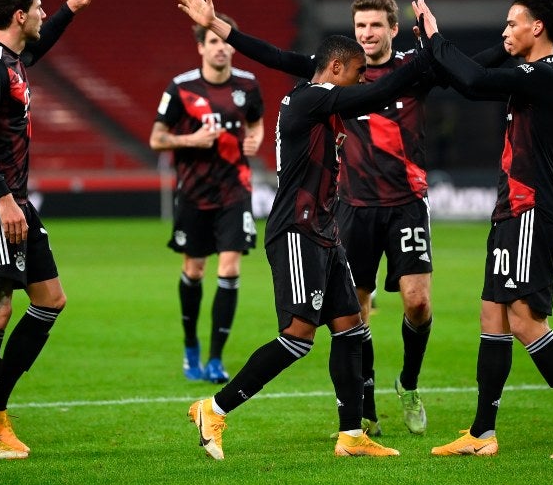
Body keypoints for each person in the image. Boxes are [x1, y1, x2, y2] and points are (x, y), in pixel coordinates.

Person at [177, 0, 510, 436]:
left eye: (375, 25)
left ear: (393, 28)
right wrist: (220, 28)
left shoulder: (392, 71)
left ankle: (394, 395)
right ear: (344, 51)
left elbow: (468, 68)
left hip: (402, 201)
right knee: (337, 320)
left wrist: (499, 48)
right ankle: (359, 415)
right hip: (343, 209)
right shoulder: (327, 84)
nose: (368, 34)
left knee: (405, 306)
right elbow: (274, 55)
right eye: (360, 27)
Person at [187, 33, 437, 460]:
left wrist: (227, 30)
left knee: (350, 328)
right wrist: (431, 53)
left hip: (325, 231)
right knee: (298, 337)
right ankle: (214, 409)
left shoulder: (320, 93)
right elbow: (381, 89)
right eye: (358, 72)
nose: (363, 80)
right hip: (296, 233)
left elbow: (279, 54)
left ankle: (351, 435)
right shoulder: (312, 98)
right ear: (337, 68)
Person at [412, 0, 553, 459]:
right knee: (493, 316)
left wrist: (438, 38)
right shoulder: (536, 70)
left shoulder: (543, 75)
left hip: (531, 210)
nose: (505, 29)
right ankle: (482, 434)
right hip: (512, 209)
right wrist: (436, 51)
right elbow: (465, 76)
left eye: (511, 21)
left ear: (536, 26)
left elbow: (475, 82)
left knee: (524, 321)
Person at [0, 0, 98, 460]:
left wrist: (70, 11)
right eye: (38, 6)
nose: (43, 12)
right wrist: (1, 196)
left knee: (50, 300)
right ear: (19, 15)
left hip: (13, 198)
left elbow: (41, 43)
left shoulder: (13, 59)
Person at [149, 13, 264, 384]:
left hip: (235, 191)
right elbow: (156, 137)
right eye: (212, 41)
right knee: (194, 271)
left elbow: (258, 120)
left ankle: (216, 359)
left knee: (229, 268)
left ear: (232, 45)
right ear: (201, 47)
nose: (220, 47)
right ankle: (190, 347)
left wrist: (256, 137)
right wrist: (190, 141)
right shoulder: (181, 88)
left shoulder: (247, 85)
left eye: (224, 40)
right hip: (194, 194)